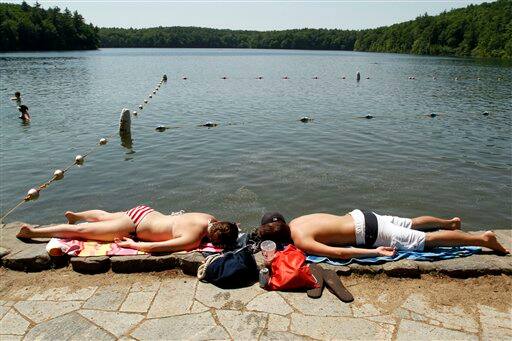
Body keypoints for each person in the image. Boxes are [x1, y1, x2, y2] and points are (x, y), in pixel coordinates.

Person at [259, 210, 509, 259]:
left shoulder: (301, 241)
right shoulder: (298, 220)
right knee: (411, 223)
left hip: (369, 231)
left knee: (427, 241)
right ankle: (450, 222)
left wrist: (374, 251)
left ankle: (481, 239)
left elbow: (338, 252)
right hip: (361, 215)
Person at [16, 206, 239, 253]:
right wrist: (132, 245)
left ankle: (77, 215)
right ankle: (33, 233)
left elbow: (225, 226)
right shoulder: (192, 238)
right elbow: (156, 246)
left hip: (144, 211)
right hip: (135, 227)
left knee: (103, 217)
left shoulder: (208, 217)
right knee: (82, 233)